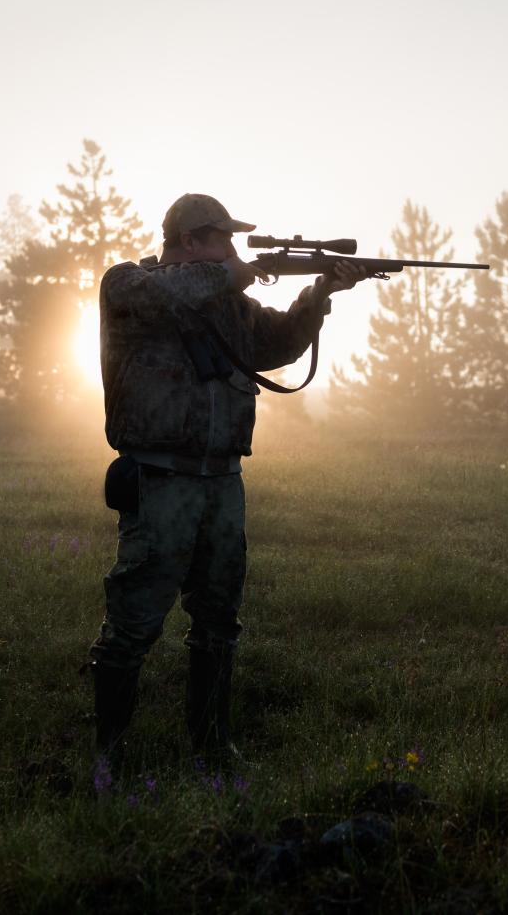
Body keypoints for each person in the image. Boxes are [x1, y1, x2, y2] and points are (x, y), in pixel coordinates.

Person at [86, 193, 368, 766]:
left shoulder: (229, 305)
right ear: (189, 241)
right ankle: (107, 754)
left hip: (222, 481)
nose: (234, 251)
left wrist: (318, 293)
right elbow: (179, 290)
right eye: (223, 240)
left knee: (218, 621)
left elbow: (279, 344)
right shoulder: (128, 285)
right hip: (160, 480)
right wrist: (241, 273)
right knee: (134, 623)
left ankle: (213, 745)